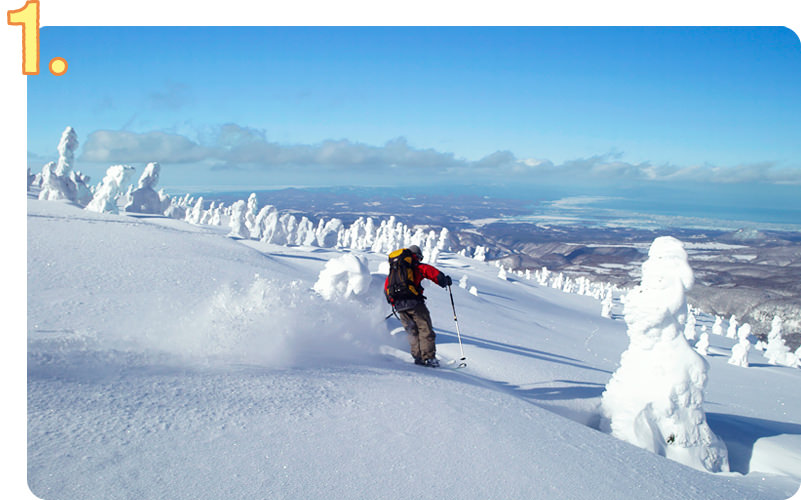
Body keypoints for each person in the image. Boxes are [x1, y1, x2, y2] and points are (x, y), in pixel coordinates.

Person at [384, 245, 452, 367]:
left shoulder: (394, 271)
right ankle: (429, 358)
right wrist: (445, 281)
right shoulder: (416, 266)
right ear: (417, 256)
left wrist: (396, 303)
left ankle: (418, 358)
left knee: (412, 332)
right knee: (425, 330)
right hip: (415, 304)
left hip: (400, 307)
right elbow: (434, 274)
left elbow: (387, 289)